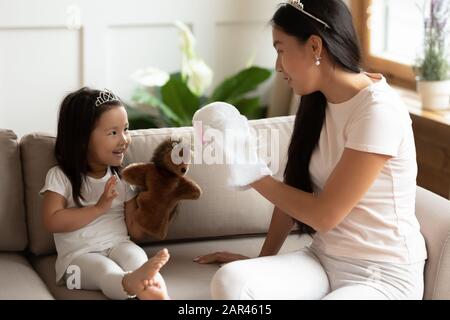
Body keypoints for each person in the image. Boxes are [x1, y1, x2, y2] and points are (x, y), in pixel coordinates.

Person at [193, 0, 427, 300]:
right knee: (231, 282)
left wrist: (251, 172)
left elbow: (325, 215)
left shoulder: (378, 111)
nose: (277, 66)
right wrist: (264, 263)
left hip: (381, 275)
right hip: (322, 259)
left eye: (280, 50)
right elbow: (294, 190)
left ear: (315, 47)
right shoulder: (318, 100)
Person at [40, 87, 170, 300]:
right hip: (77, 261)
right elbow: (51, 221)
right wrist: (99, 208)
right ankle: (130, 284)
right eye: (113, 132)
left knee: (137, 257)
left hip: (119, 245)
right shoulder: (60, 176)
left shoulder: (124, 179)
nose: (124, 139)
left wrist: (157, 202)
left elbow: (135, 232)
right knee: (104, 270)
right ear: (82, 138)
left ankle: (160, 295)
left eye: (126, 129)